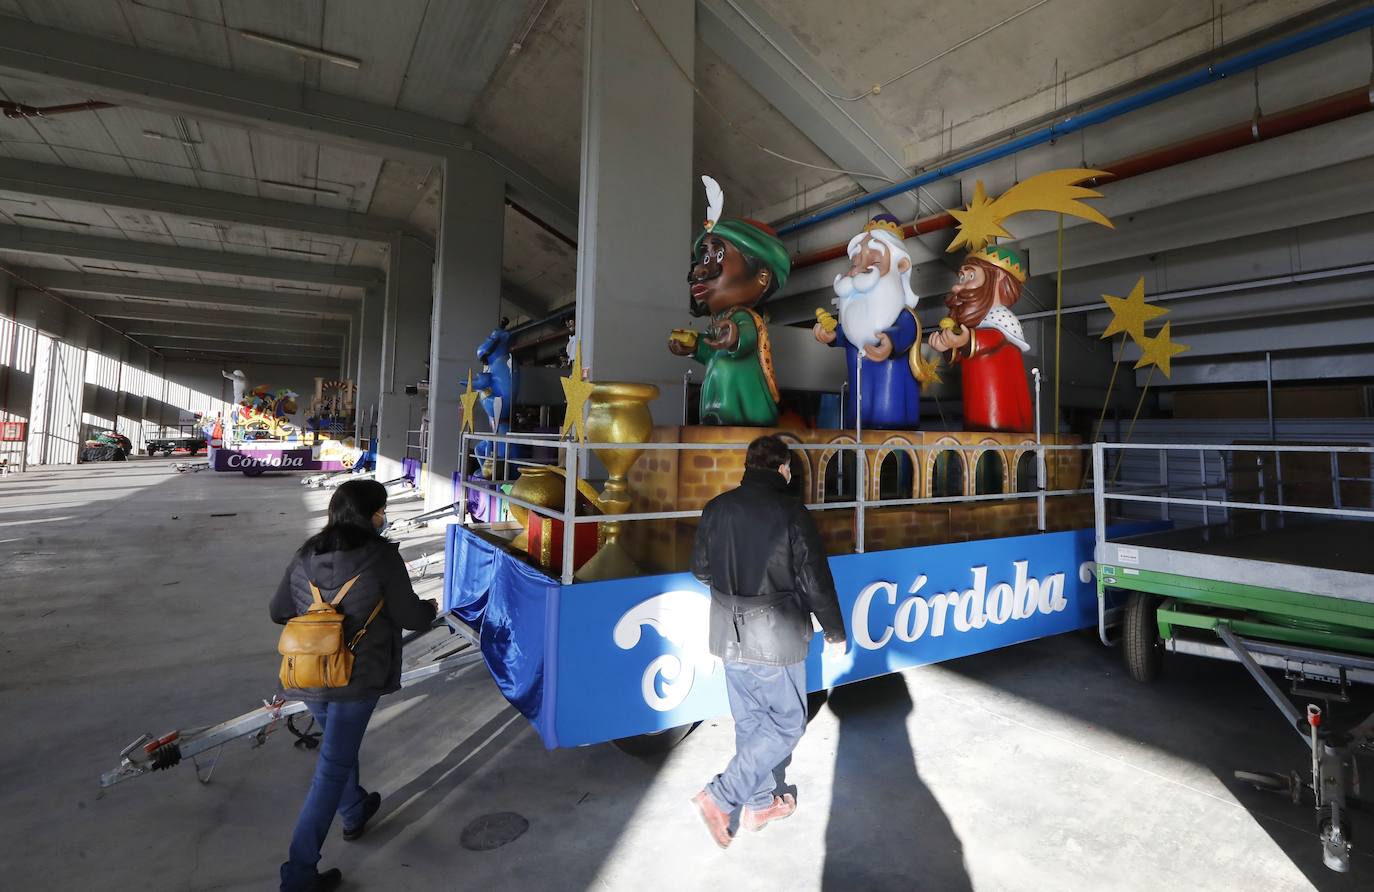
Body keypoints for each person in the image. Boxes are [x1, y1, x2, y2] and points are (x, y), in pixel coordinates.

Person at [270, 479, 437, 892]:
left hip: (309, 672)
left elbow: (278, 611)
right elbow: (410, 616)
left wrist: (319, 612)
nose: (384, 517)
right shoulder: (380, 555)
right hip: (355, 678)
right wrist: (430, 608)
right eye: (381, 510)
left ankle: (355, 810)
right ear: (371, 513)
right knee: (331, 769)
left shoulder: (307, 552)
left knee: (336, 751)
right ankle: (298, 873)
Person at [689, 434, 848, 848]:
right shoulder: (791, 512)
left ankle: (759, 804)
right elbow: (813, 579)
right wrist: (834, 629)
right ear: (783, 468)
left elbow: (701, 570)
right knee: (789, 723)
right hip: (775, 635)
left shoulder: (717, 507)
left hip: (727, 630)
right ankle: (722, 795)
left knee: (751, 721)